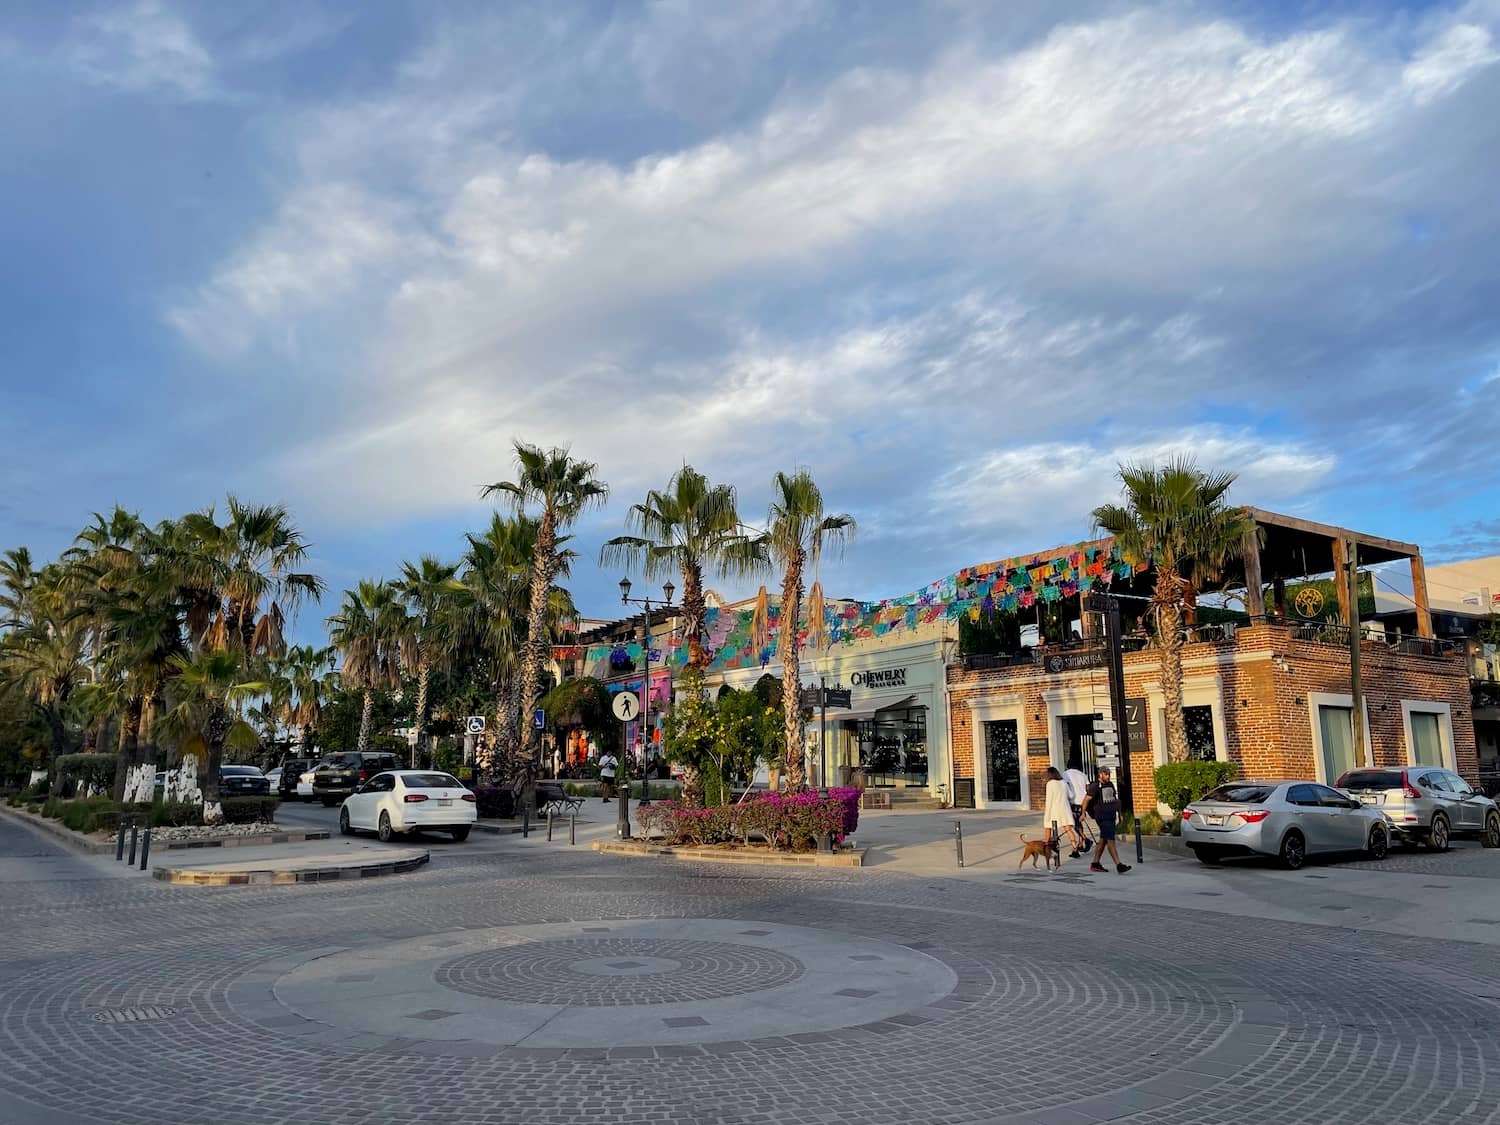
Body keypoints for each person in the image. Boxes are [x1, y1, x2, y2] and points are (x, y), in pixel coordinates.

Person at [1083, 765, 1131, 873]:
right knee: (1110, 841)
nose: (1108, 776)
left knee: (1103, 841)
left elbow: (1115, 800)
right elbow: (1086, 800)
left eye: (1109, 774)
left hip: (1111, 816)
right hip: (1102, 817)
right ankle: (1119, 865)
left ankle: (1095, 863)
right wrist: (1082, 813)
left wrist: (1120, 813)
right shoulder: (1095, 786)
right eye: (1106, 774)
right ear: (1100, 775)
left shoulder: (1110, 784)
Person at [1063, 755, 1093, 858]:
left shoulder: (1066, 774)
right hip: (1083, 801)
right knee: (1079, 822)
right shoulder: (1083, 775)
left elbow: (1065, 787)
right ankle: (1080, 844)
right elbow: (1088, 787)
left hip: (1074, 801)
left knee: (1075, 824)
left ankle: (1086, 839)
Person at [1041, 766, 1072, 862]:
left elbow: (1049, 800)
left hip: (1054, 810)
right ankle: (1075, 846)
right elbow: (1071, 795)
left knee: (1048, 827)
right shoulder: (1063, 783)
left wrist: (1047, 813)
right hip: (1064, 809)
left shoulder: (1050, 784)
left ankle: (1046, 846)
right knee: (1068, 828)